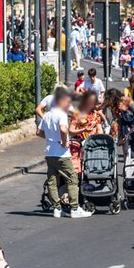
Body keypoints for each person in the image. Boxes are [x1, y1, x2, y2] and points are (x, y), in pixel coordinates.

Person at [39, 87, 84, 218]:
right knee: (72, 178)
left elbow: (38, 132)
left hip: (49, 152)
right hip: (61, 153)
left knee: (52, 181)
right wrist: (64, 142)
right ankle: (75, 208)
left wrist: (50, 138)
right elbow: (64, 130)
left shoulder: (47, 115)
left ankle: (57, 208)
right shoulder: (61, 114)